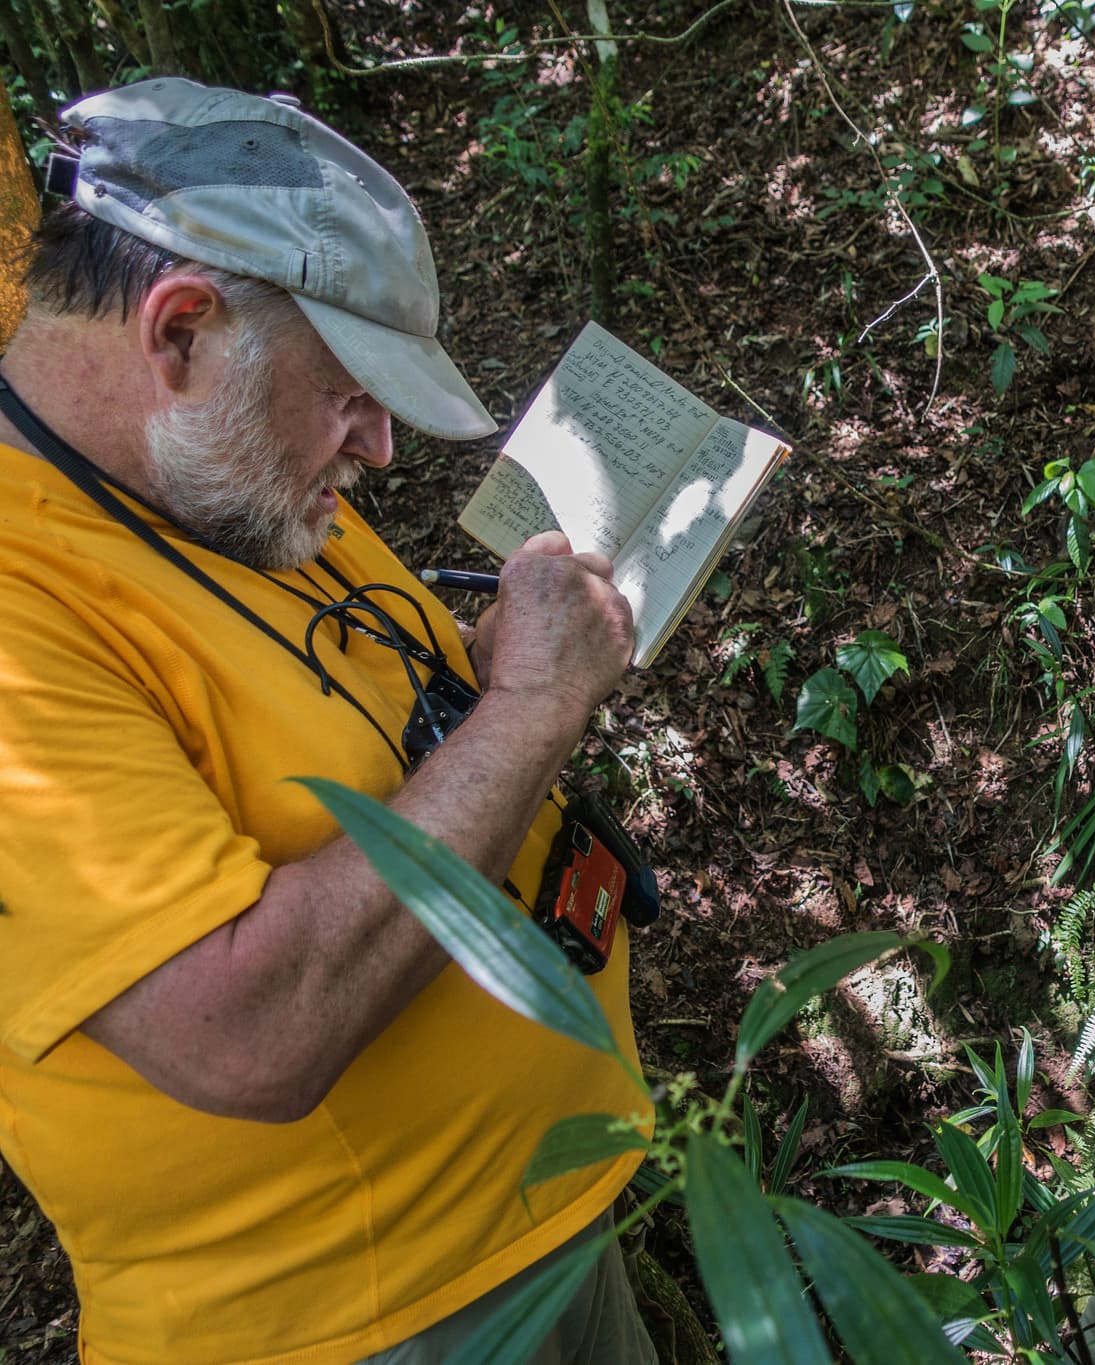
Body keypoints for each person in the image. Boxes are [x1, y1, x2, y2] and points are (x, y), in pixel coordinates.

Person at [0, 80, 657, 1363]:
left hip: (522, 1232)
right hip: (361, 1325)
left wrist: (489, 676)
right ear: (179, 331)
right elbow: (245, 1031)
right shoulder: (23, 614)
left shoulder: (216, 463)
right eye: (351, 391)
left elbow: (361, 729)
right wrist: (530, 707)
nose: (381, 450)